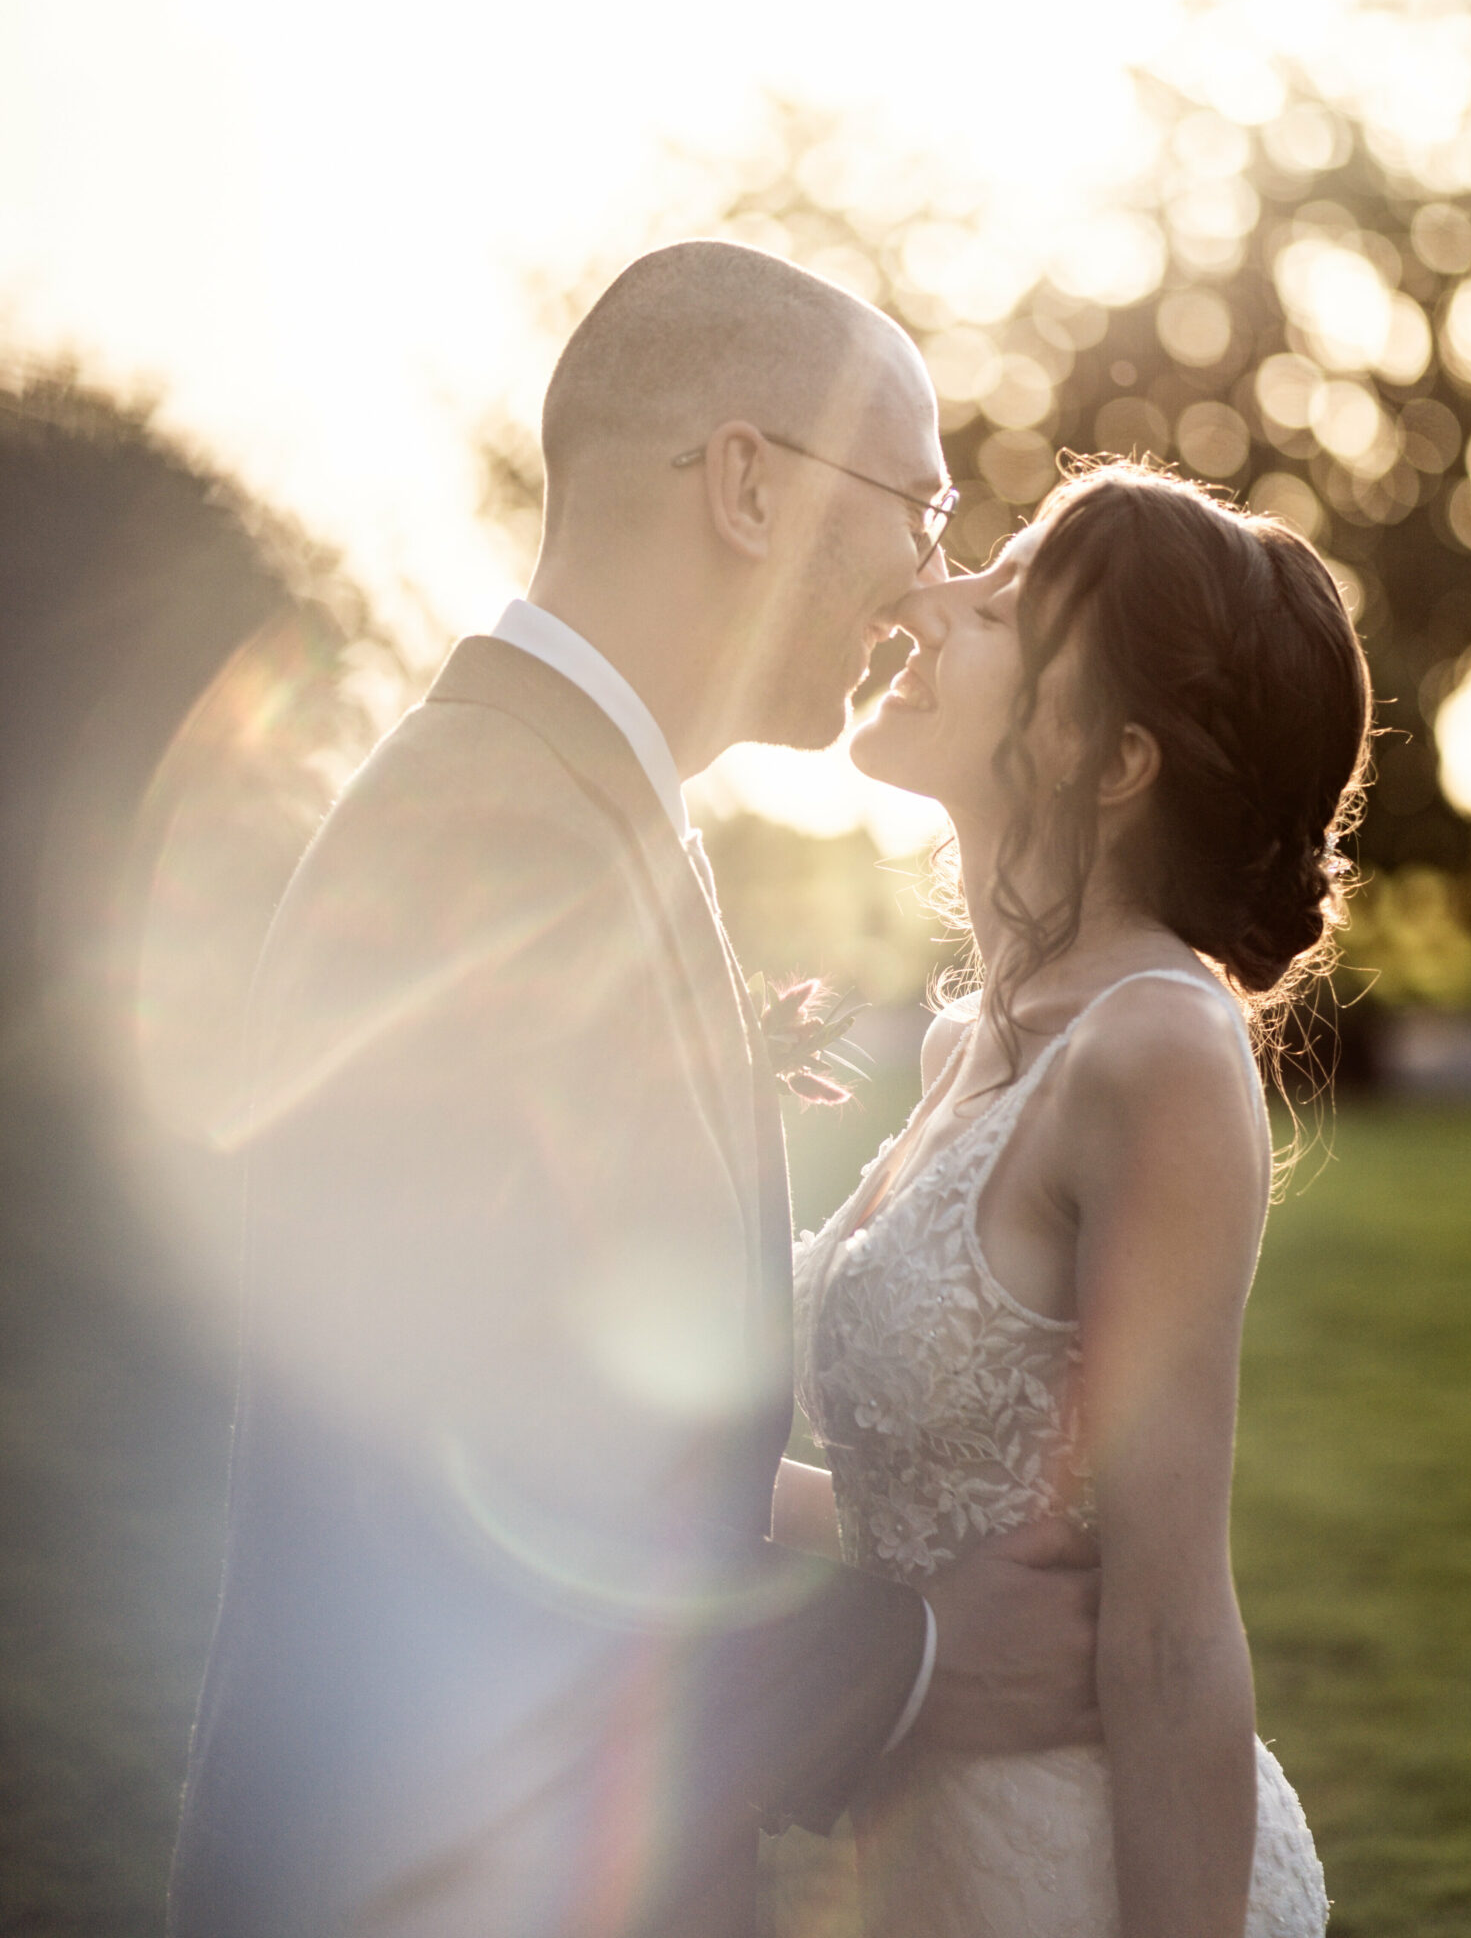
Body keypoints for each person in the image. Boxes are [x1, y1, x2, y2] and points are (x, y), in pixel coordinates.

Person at [168, 241, 1100, 1938]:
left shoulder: (574, 810)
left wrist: (917, 1542)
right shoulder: (489, 850)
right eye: (921, 504)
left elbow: (609, 1438)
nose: (925, 580)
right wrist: (926, 1664)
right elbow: (474, 1512)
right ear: (747, 483)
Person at [779, 460, 1373, 1937]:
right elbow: (920, 1515)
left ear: (1110, 761)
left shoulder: (1156, 1051)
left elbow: (1170, 1632)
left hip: (1086, 1872)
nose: (929, 592)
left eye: (1005, 602)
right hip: (923, 1860)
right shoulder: (968, 1041)